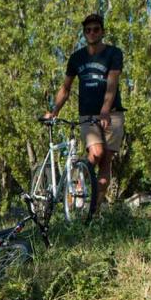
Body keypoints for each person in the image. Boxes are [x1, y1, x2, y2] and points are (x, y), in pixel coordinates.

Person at [46, 13, 125, 207]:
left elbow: (112, 82)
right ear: (84, 33)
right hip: (87, 115)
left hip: (112, 113)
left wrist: (106, 109)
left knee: (106, 161)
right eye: (88, 30)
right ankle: (80, 176)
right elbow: (66, 88)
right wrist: (54, 111)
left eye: (96, 29)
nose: (92, 33)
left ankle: (93, 210)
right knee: (96, 153)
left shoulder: (114, 53)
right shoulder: (77, 58)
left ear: (102, 31)